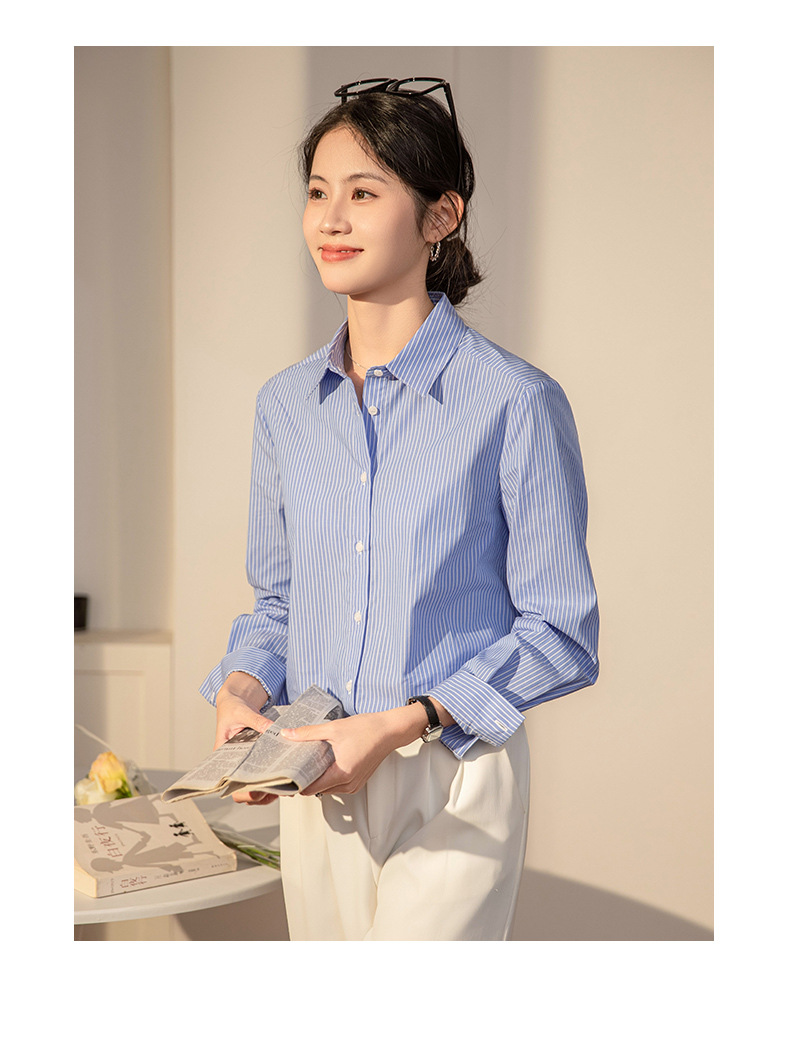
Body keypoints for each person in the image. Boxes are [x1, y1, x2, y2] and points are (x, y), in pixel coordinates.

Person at [199, 77, 599, 940]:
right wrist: (240, 687)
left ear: (440, 216)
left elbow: (561, 632)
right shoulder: (284, 407)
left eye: (364, 193)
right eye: (318, 193)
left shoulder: (514, 402)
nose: (331, 220)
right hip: (316, 765)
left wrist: (401, 722)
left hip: (453, 772)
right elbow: (279, 604)